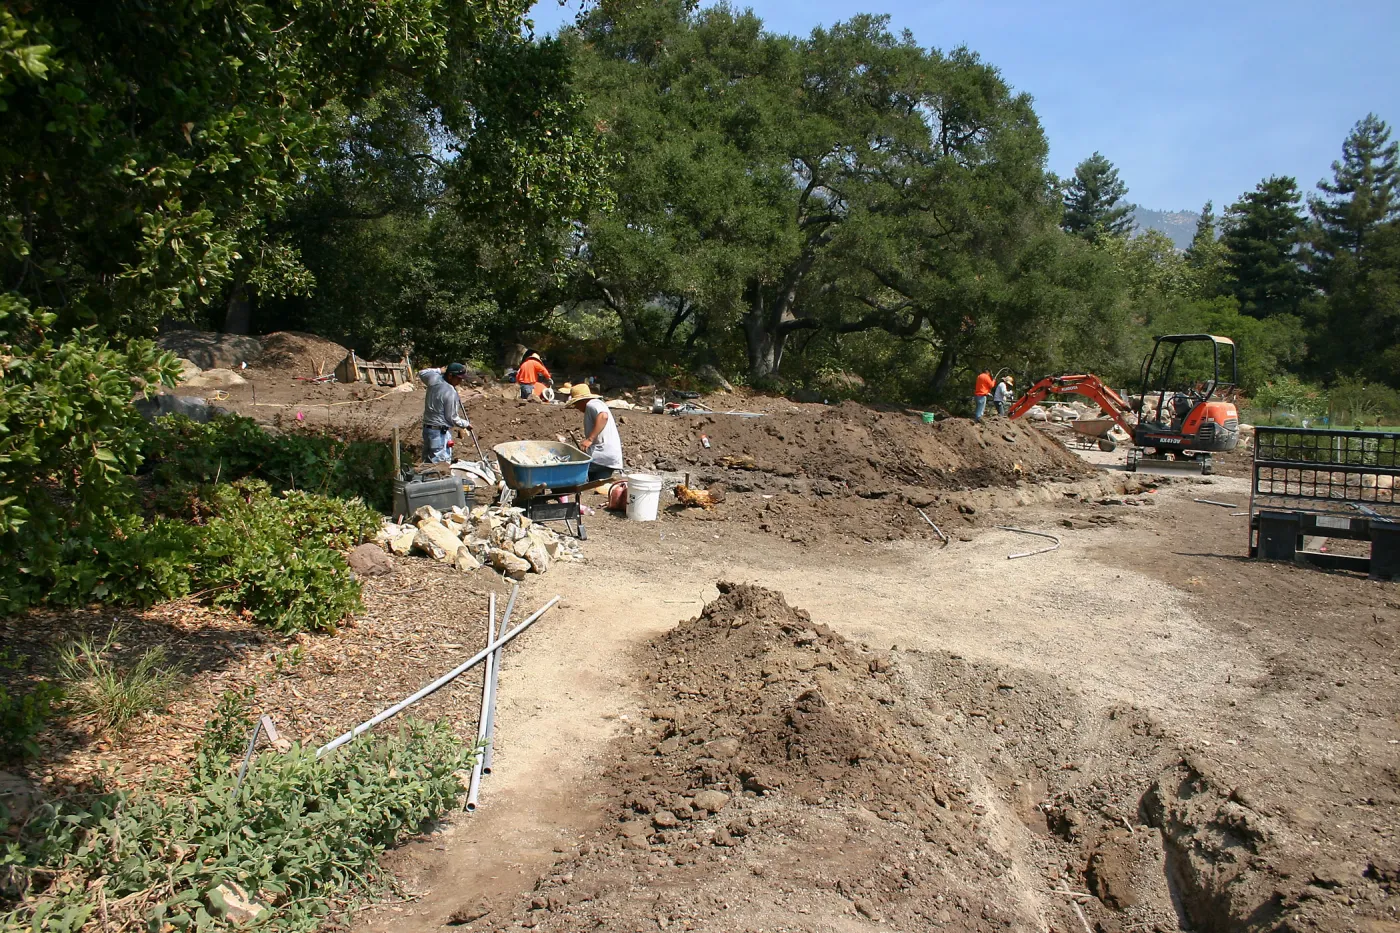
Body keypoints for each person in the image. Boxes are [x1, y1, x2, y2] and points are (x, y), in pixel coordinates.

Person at [565, 383, 624, 481]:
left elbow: (603, 416)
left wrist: (590, 439)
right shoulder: (598, 404)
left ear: (582, 400)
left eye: (576, 404)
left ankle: (562, 495)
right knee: (597, 486)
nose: (576, 407)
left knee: (570, 472)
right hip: (610, 457)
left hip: (601, 455)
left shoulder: (591, 404)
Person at [419, 363, 472, 463]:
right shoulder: (450, 391)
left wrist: (439, 370)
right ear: (450, 375)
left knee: (427, 464)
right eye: (458, 378)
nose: (460, 381)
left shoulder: (433, 379)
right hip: (439, 433)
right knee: (440, 464)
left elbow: (422, 372)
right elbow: (451, 417)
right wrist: (466, 424)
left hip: (428, 430)